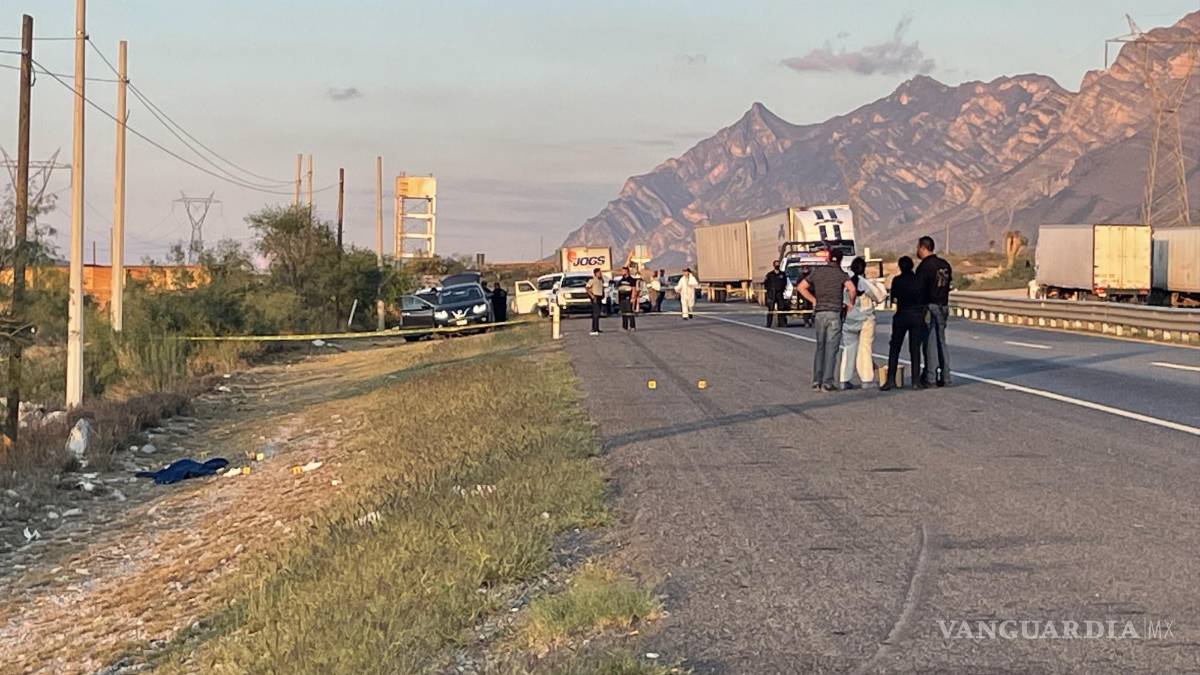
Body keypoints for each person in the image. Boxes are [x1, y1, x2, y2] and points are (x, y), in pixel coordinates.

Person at [799, 250, 856, 391]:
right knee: (831, 349)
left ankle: (816, 381)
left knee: (820, 347)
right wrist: (851, 303)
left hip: (820, 313)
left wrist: (814, 300)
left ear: (828, 258)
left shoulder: (818, 272)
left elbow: (801, 287)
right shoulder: (841, 274)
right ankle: (827, 382)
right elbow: (852, 289)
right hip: (834, 313)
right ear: (841, 260)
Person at [838, 257, 886, 389]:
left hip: (848, 319)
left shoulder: (845, 283)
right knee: (865, 348)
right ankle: (866, 379)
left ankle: (844, 379)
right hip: (865, 319)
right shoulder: (864, 283)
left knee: (848, 349)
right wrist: (879, 284)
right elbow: (880, 297)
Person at [881, 256, 925, 391]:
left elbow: (893, 298)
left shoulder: (897, 280)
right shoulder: (919, 280)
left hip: (902, 315)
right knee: (915, 349)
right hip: (917, 315)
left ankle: (890, 380)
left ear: (900, 266)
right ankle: (916, 381)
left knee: (895, 347)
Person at [915, 235, 953, 386]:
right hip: (944, 305)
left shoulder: (924, 267)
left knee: (930, 342)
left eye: (918, 247)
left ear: (923, 248)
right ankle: (946, 376)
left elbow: (918, 289)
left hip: (930, 306)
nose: (917, 250)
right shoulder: (945, 264)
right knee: (941, 341)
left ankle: (930, 377)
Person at [764, 260, 789, 327]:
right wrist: (769, 291)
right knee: (771, 309)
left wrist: (783, 289)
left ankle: (782, 323)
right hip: (772, 294)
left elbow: (785, 283)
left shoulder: (782, 274)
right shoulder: (770, 275)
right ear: (774, 265)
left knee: (781, 308)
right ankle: (769, 323)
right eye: (776, 264)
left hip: (780, 294)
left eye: (778, 264)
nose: (777, 265)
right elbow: (766, 284)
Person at [615, 266, 640, 332]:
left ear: (627, 271)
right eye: (622, 271)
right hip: (622, 298)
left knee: (629, 312)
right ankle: (624, 327)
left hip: (628, 298)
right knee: (624, 313)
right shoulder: (621, 280)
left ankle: (632, 326)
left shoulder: (631, 280)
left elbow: (634, 289)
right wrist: (618, 298)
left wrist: (633, 298)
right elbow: (618, 289)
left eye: (623, 271)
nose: (622, 272)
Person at [586, 267, 606, 336]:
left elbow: (602, 288)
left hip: (600, 297)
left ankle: (597, 328)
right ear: (595, 273)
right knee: (596, 313)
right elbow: (587, 288)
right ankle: (594, 328)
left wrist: (603, 294)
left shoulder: (601, 280)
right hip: (595, 297)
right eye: (599, 273)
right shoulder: (592, 280)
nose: (600, 274)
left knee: (598, 313)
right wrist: (592, 296)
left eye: (601, 273)